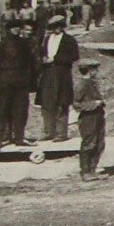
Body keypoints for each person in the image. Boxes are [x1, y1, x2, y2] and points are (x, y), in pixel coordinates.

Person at [0, 18, 38, 150]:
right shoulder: (2, 45)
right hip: (6, 83)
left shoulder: (25, 44)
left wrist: (28, 79)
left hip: (21, 83)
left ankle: (19, 137)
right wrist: (2, 77)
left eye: (18, 28)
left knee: (21, 111)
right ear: (9, 30)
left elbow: (30, 64)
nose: (16, 30)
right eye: (13, 28)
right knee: (3, 110)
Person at [36, 13, 80, 142]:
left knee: (62, 103)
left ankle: (61, 133)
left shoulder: (69, 40)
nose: (57, 29)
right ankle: (48, 131)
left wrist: (55, 59)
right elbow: (41, 53)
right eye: (54, 27)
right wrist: (43, 60)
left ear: (63, 27)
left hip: (62, 74)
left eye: (59, 26)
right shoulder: (47, 39)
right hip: (48, 74)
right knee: (46, 103)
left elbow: (74, 56)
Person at [73, 59, 106, 181]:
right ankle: (85, 172)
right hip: (88, 117)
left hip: (97, 115)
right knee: (88, 144)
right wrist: (94, 104)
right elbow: (76, 104)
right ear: (89, 70)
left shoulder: (92, 83)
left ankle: (93, 170)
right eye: (94, 69)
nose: (96, 71)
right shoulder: (81, 84)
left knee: (99, 143)